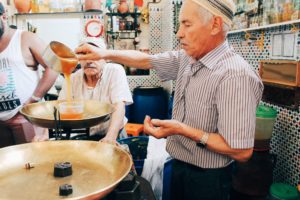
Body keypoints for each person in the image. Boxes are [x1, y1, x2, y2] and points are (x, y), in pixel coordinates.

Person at [75, 0, 264, 199]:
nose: (179, 33)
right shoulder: (188, 59)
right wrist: (104, 53)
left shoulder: (234, 75)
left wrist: (181, 129)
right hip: (178, 166)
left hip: (208, 180)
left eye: (187, 24)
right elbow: (147, 60)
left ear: (215, 25)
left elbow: (241, 150)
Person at [0, 2, 58, 147]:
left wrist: (33, 100)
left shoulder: (27, 38)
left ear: (4, 17)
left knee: (33, 165)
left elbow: (56, 65)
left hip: (27, 117)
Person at [58, 37, 133, 144]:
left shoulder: (115, 71)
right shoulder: (72, 78)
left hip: (114, 134)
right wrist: (44, 132)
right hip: (84, 136)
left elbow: (119, 105)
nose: (89, 60)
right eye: (84, 55)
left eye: (94, 55)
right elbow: (59, 107)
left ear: (105, 58)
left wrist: (111, 137)